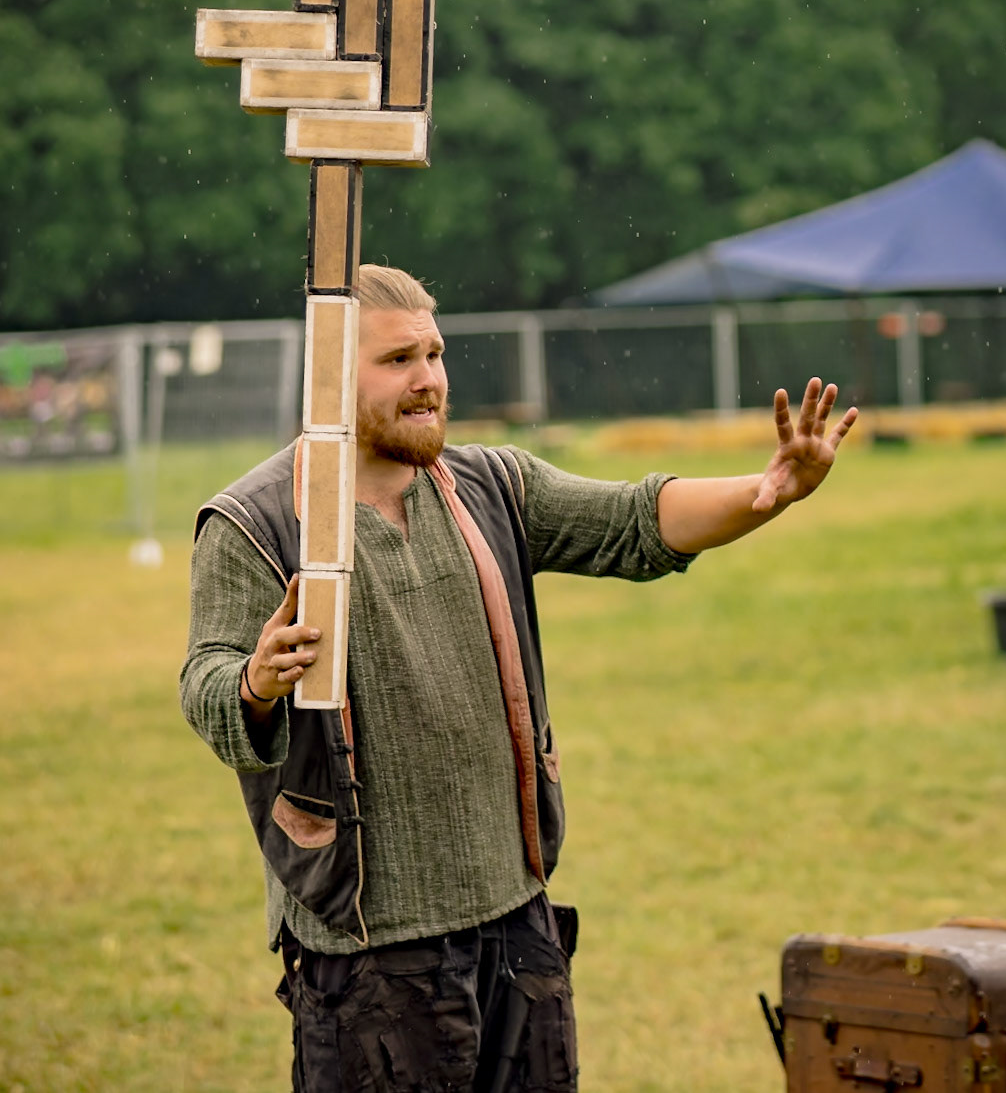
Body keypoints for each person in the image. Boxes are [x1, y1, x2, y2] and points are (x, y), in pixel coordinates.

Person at [181, 263, 858, 1093]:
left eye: (434, 354)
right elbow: (206, 687)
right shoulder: (254, 522)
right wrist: (255, 682)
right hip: (367, 948)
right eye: (398, 360)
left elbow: (635, 519)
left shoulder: (492, 485)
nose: (429, 379)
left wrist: (766, 493)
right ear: (329, 377)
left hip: (516, 922)